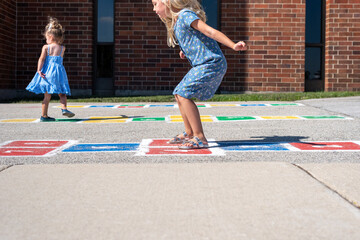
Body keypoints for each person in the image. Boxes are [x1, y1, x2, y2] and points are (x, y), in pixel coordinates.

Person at [151, 0, 247, 149]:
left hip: (212, 62)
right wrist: (186, 50)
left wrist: (233, 45)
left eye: (156, 4)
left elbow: (210, 32)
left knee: (183, 94)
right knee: (178, 93)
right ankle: (189, 133)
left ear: (168, 2)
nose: (154, 9)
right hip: (203, 64)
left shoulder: (185, 15)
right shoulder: (177, 22)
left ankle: (200, 137)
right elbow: (193, 39)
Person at [26, 17, 75, 122]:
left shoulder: (46, 47)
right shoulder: (62, 48)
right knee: (62, 93)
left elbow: (42, 59)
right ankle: (64, 108)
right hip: (58, 73)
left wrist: (39, 70)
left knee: (47, 96)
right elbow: (59, 61)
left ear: (51, 36)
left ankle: (44, 116)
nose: (46, 39)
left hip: (47, 73)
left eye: (46, 37)